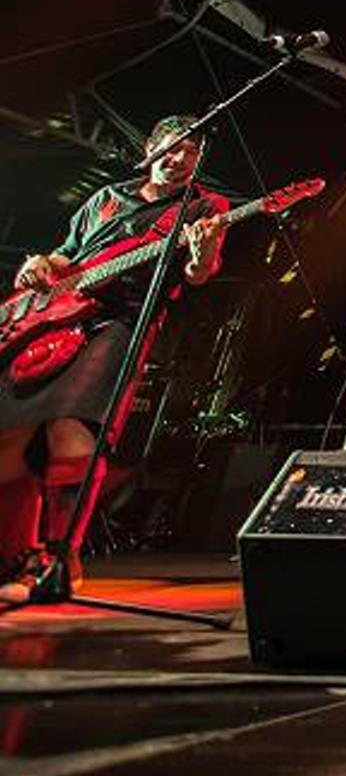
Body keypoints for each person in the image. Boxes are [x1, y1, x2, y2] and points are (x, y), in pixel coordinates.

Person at [0, 115, 228, 605]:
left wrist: (203, 249)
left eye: (191, 152)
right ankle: (17, 556)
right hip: (57, 319)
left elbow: (198, 273)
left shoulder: (203, 207)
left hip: (120, 320)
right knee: (12, 436)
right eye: (172, 148)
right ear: (150, 149)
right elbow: (67, 256)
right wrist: (39, 263)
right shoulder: (106, 198)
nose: (179, 159)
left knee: (71, 436)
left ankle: (60, 559)